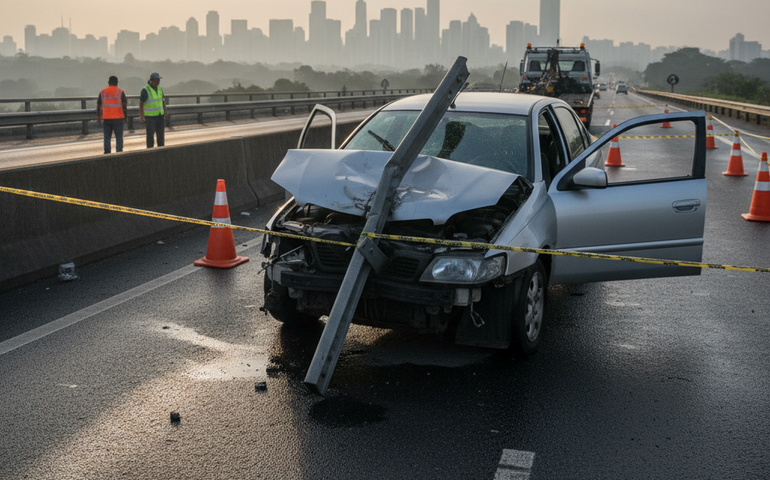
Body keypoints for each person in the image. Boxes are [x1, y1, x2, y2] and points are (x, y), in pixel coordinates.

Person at [96, 75, 127, 154]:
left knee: (107, 137)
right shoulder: (120, 91)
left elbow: (99, 105)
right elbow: (124, 105)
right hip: (118, 118)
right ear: (117, 83)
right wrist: (125, 117)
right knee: (119, 137)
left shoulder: (102, 92)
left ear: (108, 83)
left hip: (106, 118)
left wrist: (98, 116)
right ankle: (119, 153)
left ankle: (107, 154)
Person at [139, 72, 168, 148]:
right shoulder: (146, 90)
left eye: (158, 80)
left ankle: (161, 151)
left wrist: (165, 111)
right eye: (156, 80)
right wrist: (142, 117)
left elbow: (162, 100)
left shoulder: (160, 89)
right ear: (151, 81)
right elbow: (141, 104)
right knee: (150, 137)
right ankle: (150, 153)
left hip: (160, 116)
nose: (157, 82)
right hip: (150, 117)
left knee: (161, 136)